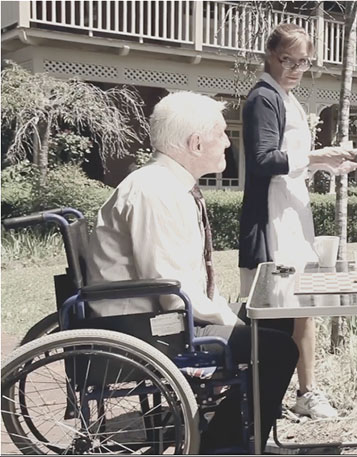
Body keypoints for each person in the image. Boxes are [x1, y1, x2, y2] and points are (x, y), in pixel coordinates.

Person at [86, 91, 298, 452]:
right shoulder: (156, 193)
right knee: (278, 349)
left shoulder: (167, 185)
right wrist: (231, 320)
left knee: (277, 323)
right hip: (144, 326)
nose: (228, 142)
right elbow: (171, 288)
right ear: (196, 143)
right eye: (221, 133)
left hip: (155, 313)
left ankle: (238, 435)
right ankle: (223, 446)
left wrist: (232, 314)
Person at [238, 23, 357, 420]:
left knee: (301, 304)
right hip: (273, 219)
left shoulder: (286, 98)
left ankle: (304, 392)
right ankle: (263, 400)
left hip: (292, 211)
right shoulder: (263, 98)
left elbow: (289, 165)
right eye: (286, 59)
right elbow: (261, 161)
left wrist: (327, 164)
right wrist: (316, 156)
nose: (294, 67)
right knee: (277, 309)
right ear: (270, 56)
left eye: (302, 61)